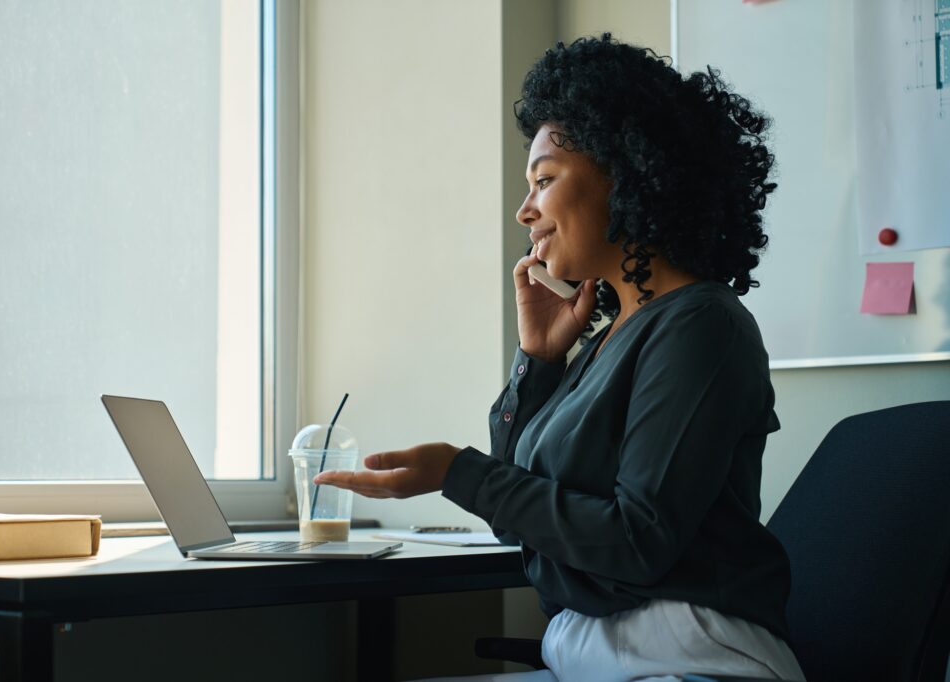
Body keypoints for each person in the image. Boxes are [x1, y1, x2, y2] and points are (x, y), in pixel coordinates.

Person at [315, 34, 806, 682]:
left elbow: (635, 541)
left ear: (627, 171)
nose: (525, 210)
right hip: (599, 655)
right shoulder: (609, 338)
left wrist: (455, 472)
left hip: (687, 659)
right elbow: (525, 513)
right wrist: (538, 360)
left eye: (544, 180)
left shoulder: (700, 324)